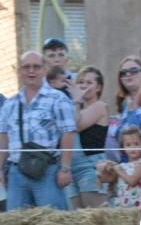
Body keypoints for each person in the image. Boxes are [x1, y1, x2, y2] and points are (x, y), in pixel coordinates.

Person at [0, 51, 75, 210]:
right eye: (26, 67)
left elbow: (68, 133)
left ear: (44, 70)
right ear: (19, 71)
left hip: (48, 171)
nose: (31, 71)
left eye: (36, 67)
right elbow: (3, 138)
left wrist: (65, 168)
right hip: (16, 172)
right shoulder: (10, 104)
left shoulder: (58, 99)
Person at [66, 67, 110, 209]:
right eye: (80, 82)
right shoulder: (76, 108)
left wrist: (76, 100)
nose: (83, 86)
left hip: (91, 167)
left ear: (98, 87)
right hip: (71, 168)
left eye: (89, 82)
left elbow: (74, 125)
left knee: (94, 219)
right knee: (77, 221)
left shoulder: (100, 106)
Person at [107, 56, 141, 165]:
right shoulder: (123, 103)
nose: (128, 74)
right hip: (129, 170)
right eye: (123, 72)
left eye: (134, 70)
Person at [102, 126, 141, 209]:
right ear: (123, 147)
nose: (132, 148)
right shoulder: (122, 166)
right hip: (124, 208)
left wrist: (118, 170)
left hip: (139, 208)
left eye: (136, 144)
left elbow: (132, 181)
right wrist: (108, 167)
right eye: (128, 145)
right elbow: (108, 179)